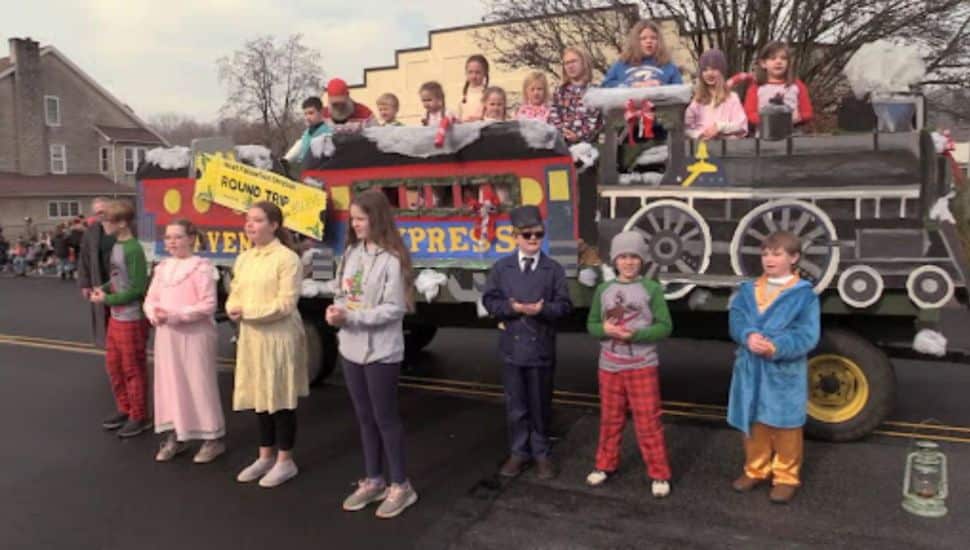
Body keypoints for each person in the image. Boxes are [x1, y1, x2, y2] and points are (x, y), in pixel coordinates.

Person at [326, 189, 418, 519]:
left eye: (361, 219)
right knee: (364, 418)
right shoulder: (351, 253)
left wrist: (353, 317)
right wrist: (335, 311)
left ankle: (401, 485)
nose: (355, 224)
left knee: (385, 418)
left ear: (376, 219)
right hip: (351, 347)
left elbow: (394, 309)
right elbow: (342, 292)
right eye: (352, 219)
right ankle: (374, 479)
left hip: (381, 351)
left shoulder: (392, 259)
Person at [727, 230, 820, 504]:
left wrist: (776, 347)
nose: (769, 259)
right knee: (754, 422)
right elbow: (737, 319)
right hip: (750, 368)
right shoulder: (748, 290)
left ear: (794, 258)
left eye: (777, 254)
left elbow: (807, 335)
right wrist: (747, 336)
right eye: (765, 253)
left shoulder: (804, 296)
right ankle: (755, 469)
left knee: (786, 426)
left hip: (783, 372)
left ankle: (786, 477)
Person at [482, 205, 573, 480]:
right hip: (512, 347)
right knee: (517, 406)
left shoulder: (553, 269)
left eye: (538, 234)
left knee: (540, 404)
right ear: (516, 237)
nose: (534, 239)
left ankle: (541, 452)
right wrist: (512, 308)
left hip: (541, 347)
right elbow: (489, 301)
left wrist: (542, 310)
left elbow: (565, 306)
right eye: (528, 235)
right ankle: (519, 452)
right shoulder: (502, 268)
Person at [585, 231, 673, 497]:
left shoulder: (652, 289)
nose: (628, 262)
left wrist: (637, 335)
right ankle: (604, 464)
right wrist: (605, 330)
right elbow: (591, 325)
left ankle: (659, 473)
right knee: (610, 419)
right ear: (615, 260)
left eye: (634, 257)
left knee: (648, 421)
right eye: (623, 257)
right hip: (609, 366)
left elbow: (665, 327)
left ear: (642, 260)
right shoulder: (604, 290)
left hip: (642, 365)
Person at [227, 201, 309, 488]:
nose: (250, 225)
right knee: (260, 394)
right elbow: (236, 292)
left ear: (274, 225)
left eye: (258, 220)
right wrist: (233, 307)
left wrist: (247, 313)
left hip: (278, 336)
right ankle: (264, 456)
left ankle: (285, 460)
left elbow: (286, 303)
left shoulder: (287, 259)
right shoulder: (245, 259)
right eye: (248, 220)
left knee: (280, 398)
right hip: (252, 337)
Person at [144, 220, 226, 464]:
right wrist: (153, 313)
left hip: (195, 336)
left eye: (177, 237)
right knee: (170, 383)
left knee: (198, 383)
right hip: (167, 335)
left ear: (191, 239)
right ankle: (176, 435)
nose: (171, 242)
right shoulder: (162, 268)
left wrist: (176, 315)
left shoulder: (202, 268)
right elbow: (150, 299)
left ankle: (212, 438)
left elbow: (207, 304)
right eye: (168, 237)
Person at [89, 200, 152, 438]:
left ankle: (139, 415)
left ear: (122, 223)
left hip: (131, 319)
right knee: (114, 366)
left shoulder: (133, 249)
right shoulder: (117, 245)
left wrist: (107, 299)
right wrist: (102, 288)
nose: (104, 224)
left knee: (132, 368)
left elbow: (137, 288)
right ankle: (124, 408)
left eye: (108, 220)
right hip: (116, 318)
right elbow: (117, 279)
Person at [743, 41, 814, 129]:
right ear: (763, 63)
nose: (779, 61)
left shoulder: (797, 85)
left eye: (783, 58)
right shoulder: (756, 88)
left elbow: (808, 112)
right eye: (773, 58)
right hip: (764, 132)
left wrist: (798, 117)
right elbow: (749, 114)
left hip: (792, 130)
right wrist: (769, 120)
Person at [685, 49, 748, 140]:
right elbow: (686, 127)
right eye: (705, 70)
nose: (709, 73)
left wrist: (719, 127)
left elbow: (741, 126)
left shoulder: (731, 98)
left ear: (721, 71)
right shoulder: (697, 100)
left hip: (726, 148)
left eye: (714, 69)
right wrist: (700, 134)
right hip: (703, 148)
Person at [77, 197, 116, 346]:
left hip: (121, 280)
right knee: (104, 316)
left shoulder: (124, 227)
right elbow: (84, 258)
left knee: (123, 318)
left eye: (102, 211)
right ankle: (110, 346)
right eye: (96, 212)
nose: (99, 215)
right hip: (99, 279)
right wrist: (84, 284)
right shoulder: (91, 232)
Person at [602, 20, 682, 88]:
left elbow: (679, 90)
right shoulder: (621, 64)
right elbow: (606, 85)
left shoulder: (668, 66)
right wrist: (631, 85)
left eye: (653, 38)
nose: (649, 41)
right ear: (635, 41)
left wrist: (660, 85)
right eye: (643, 38)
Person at [549, 47, 603, 145]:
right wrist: (563, 133)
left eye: (573, 61)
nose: (570, 66)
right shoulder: (559, 91)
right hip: (561, 145)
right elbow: (553, 117)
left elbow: (595, 122)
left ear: (584, 63)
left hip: (587, 147)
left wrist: (578, 135)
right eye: (567, 63)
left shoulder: (595, 91)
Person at [283, 97, 332, 166]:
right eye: (305, 114)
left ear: (321, 112)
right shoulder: (307, 133)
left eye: (311, 113)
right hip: (302, 168)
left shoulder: (329, 133)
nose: (307, 117)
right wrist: (285, 160)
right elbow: (298, 148)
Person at [457, 55, 490, 122]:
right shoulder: (463, 95)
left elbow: (493, 117)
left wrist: (480, 119)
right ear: (466, 73)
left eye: (478, 72)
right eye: (470, 72)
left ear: (485, 73)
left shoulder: (489, 94)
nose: (474, 76)